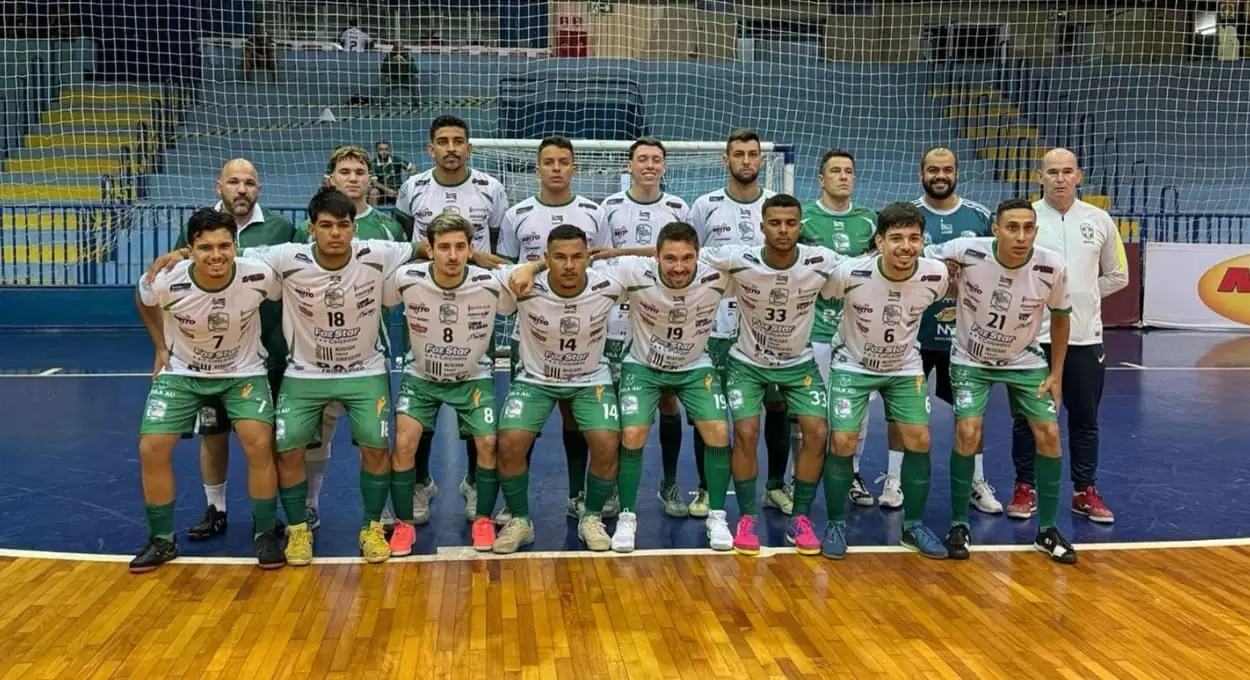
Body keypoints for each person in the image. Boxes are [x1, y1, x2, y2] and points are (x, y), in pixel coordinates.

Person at [149, 188, 422, 565]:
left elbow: (427, 248)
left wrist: (480, 257)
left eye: (343, 225)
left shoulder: (377, 252)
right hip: (304, 373)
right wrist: (182, 254)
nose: (335, 233)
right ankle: (297, 530)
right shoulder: (285, 257)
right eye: (325, 225)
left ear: (354, 229)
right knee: (289, 449)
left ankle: (372, 528)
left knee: (376, 447)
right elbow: (225, 252)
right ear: (311, 228)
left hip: (365, 369)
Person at [925, 198, 1077, 564]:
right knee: (967, 431)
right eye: (1012, 228)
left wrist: (1056, 373)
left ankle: (1048, 529)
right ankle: (959, 524)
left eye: (1028, 228)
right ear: (995, 230)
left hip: (1024, 360)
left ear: (1036, 232)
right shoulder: (966, 250)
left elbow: (1061, 317)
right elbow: (923, 256)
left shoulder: (1051, 266)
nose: (1021, 236)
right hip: (970, 358)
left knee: (1049, 432)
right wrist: (943, 268)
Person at [132, 208, 284, 572]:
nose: (216, 255)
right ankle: (162, 540)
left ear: (235, 246)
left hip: (243, 372)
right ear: (191, 249)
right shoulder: (166, 279)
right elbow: (143, 299)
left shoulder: (259, 274)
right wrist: (159, 346)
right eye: (205, 248)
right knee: (152, 447)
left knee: (259, 441)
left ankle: (265, 532)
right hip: (183, 372)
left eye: (224, 246)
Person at [570, 222, 730, 551]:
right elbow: (579, 272)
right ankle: (627, 517)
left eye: (687, 258)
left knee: (718, 430)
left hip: (693, 366)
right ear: (655, 257)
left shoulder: (718, 272)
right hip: (643, 365)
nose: (679, 267)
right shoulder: (633, 270)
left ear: (698, 256)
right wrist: (532, 269)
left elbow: (770, 265)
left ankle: (717, 516)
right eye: (670, 258)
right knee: (632, 433)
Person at [698, 194, 844, 555]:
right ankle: (747, 517)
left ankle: (801, 516)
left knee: (818, 432)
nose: (783, 230)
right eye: (775, 223)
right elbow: (682, 254)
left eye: (790, 223)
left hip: (798, 363)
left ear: (800, 226)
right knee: (746, 432)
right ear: (762, 226)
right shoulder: (740, 258)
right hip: (747, 362)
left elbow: (866, 267)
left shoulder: (822, 260)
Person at [394, 116, 509, 522]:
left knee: (475, 396)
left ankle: (475, 483)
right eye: (442, 141)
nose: (451, 148)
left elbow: (493, 242)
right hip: (426, 301)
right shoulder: (413, 188)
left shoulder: (491, 188)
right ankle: (420, 482)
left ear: (469, 147)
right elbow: (410, 241)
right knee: (420, 398)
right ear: (431, 149)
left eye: (458, 141)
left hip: (475, 303)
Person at [819, 203, 950, 560]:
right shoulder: (850, 273)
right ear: (879, 241)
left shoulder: (935, 274)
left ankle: (914, 525)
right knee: (843, 440)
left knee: (920, 439)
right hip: (853, 363)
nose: (906, 246)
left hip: (904, 365)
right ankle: (836, 524)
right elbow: (824, 297)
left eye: (914, 238)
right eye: (896, 238)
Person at [496, 136, 614, 522]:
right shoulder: (518, 213)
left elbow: (603, 264)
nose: (557, 168)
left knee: (575, 416)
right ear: (537, 169)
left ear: (574, 168)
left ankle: (579, 493)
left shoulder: (594, 212)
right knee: (523, 424)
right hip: (532, 329)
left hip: (582, 327)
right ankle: (514, 503)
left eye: (564, 162)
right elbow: (506, 266)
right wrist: (531, 270)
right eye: (549, 162)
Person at [385, 213, 517, 554]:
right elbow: (376, 294)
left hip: (472, 378)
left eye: (460, 246)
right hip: (421, 377)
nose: (453, 255)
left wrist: (533, 267)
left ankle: (483, 520)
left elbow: (521, 277)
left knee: (488, 442)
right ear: (429, 249)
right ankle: (404, 524)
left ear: (471, 249)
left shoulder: (490, 282)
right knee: (403, 442)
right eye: (444, 247)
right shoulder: (406, 278)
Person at [1009, 148, 1128, 523]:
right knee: (1027, 419)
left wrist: (1081, 295)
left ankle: (1084, 490)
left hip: (1084, 338)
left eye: (1067, 171)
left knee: (1084, 419)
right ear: (1039, 176)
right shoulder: (1026, 219)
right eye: (1052, 172)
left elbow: (1118, 275)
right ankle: (1024, 487)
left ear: (1079, 176)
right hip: (1033, 338)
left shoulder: (1100, 219)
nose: (1060, 178)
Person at [181, 158, 294, 542]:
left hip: (269, 350)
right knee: (213, 434)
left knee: (264, 437)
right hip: (212, 356)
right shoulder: (199, 226)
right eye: (233, 182)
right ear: (219, 186)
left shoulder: (281, 228)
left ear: (258, 189)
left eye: (249, 182)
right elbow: (176, 278)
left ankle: (268, 513)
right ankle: (216, 509)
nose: (241, 189)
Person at [491, 225, 624, 553]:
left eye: (577, 257)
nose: (569, 265)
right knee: (509, 442)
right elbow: (473, 270)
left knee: (607, 442)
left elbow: (663, 261)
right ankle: (520, 520)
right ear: (546, 259)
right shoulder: (522, 282)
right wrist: (530, 268)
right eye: (559, 257)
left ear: (588, 257)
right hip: (536, 378)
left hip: (589, 378)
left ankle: (591, 516)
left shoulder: (609, 283)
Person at [295, 145, 406, 531]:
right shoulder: (306, 230)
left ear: (370, 179)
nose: (354, 178)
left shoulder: (389, 228)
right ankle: (310, 504)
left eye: (360, 172)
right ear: (330, 179)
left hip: (369, 352)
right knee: (315, 439)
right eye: (345, 172)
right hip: (316, 355)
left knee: (374, 438)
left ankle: (381, 509)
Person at [590, 137, 693, 518]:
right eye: (642, 159)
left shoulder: (678, 207)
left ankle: (669, 483)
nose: (649, 165)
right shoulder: (609, 207)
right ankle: (614, 487)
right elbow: (600, 260)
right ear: (629, 165)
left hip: (662, 316)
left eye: (656, 159)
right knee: (621, 403)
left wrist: (627, 254)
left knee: (667, 399)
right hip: (618, 317)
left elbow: (683, 260)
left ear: (664, 166)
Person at [902, 146, 1002, 515]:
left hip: (965, 336)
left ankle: (976, 480)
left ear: (957, 173)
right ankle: (895, 479)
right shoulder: (907, 216)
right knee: (903, 412)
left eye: (947, 169)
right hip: (914, 332)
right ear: (921, 174)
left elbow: (997, 268)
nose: (940, 175)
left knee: (970, 413)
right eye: (933, 169)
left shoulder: (979, 217)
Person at [688, 128, 783, 518]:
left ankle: (775, 487)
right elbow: (689, 261)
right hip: (714, 326)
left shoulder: (777, 204)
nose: (746, 160)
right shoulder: (704, 205)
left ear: (761, 159)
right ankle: (705, 489)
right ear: (725, 160)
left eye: (753, 154)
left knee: (775, 406)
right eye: (739, 154)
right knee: (709, 411)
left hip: (767, 328)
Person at [797, 148, 878, 508]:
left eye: (849, 171)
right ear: (821, 179)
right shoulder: (803, 219)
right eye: (835, 171)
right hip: (813, 329)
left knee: (857, 409)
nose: (843, 177)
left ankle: (852, 472)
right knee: (810, 409)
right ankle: (800, 474)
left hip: (858, 330)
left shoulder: (870, 220)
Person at [370, 140, 415, 206]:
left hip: (397, 189)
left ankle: (402, 212)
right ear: (376, 150)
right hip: (382, 190)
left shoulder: (395, 160)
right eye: (381, 149)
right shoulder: (373, 163)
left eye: (386, 149)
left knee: (405, 191)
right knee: (373, 192)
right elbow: (375, 183)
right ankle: (374, 212)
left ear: (389, 150)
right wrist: (388, 190)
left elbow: (412, 167)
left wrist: (409, 182)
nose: (384, 152)